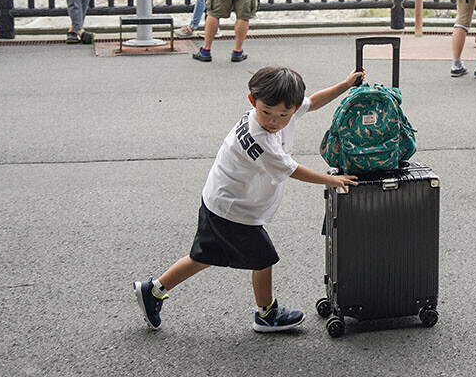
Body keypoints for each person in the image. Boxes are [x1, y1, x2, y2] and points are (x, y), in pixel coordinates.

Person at [132, 65, 362, 332]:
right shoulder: (259, 138)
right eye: (267, 113)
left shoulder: (281, 108)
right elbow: (291, 170)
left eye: (284, 115)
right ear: (252, 101)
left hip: (218, 199)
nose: (274, 121)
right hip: (233, 210)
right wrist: (331, 179)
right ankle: (267, 314)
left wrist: (344, 85)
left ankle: (153, 290)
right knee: (264, 259)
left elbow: (313, 102)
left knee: (203, 256)